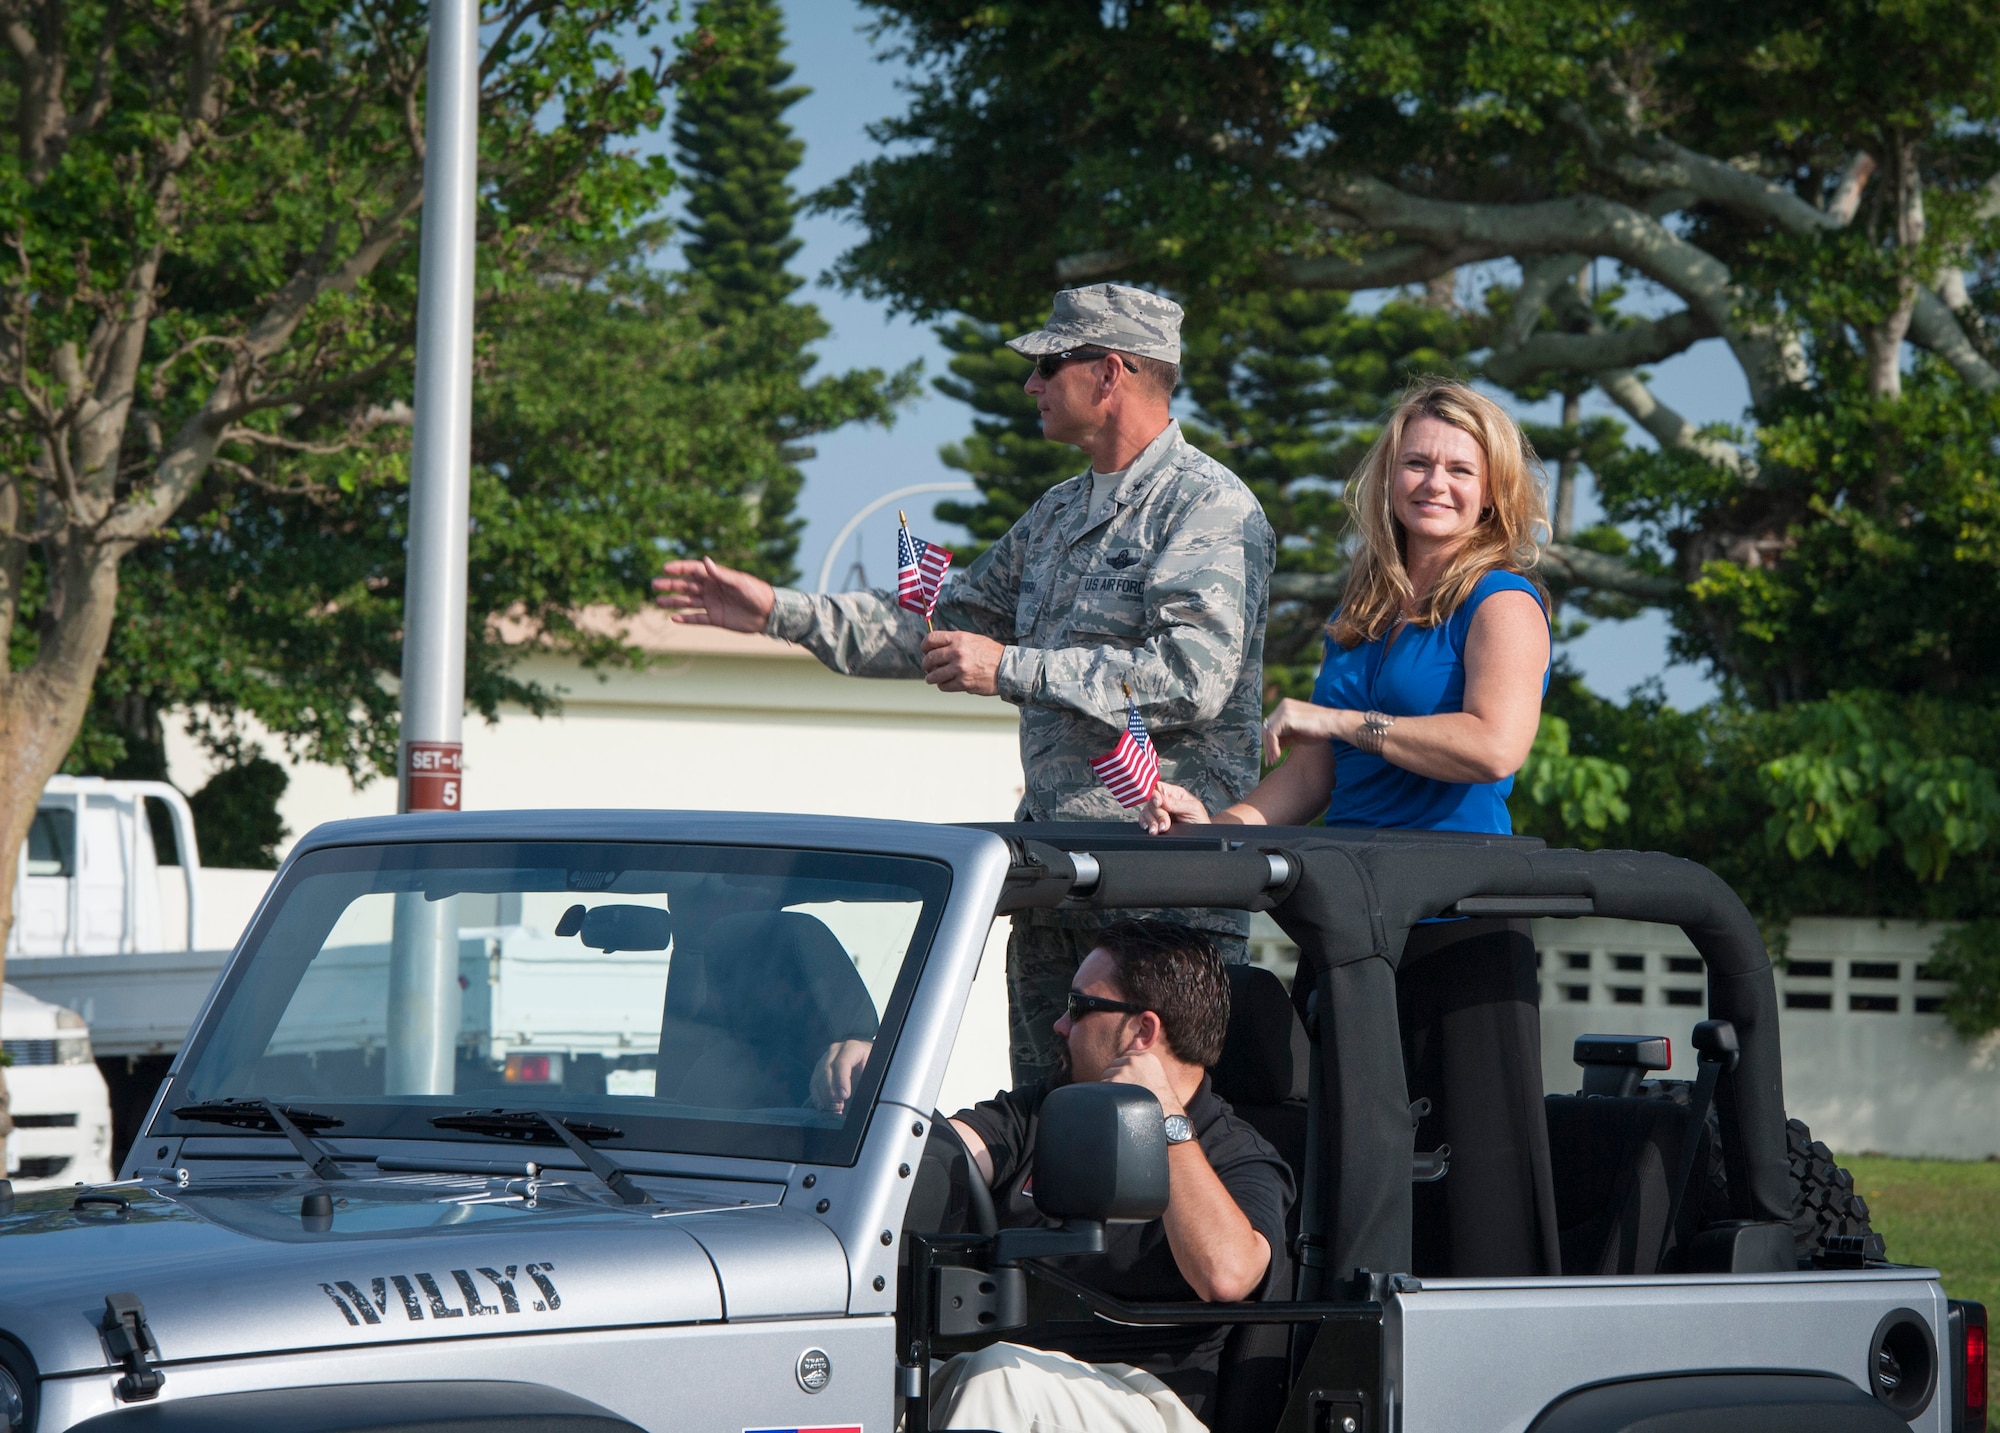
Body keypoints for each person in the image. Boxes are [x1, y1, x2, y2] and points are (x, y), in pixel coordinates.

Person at [654, 284, 1275, 1087]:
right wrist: (780, 611)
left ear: (1112, 372)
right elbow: (942, 621)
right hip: (1059, 881)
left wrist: (1009, 667)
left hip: (1160, 894)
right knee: (1046, 1141)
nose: (1031, 385)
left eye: (1049, 365)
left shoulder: (1209, 506)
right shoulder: (1055, 514)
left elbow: (1191, 678)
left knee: (1159, 1146)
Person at [1140, 378, 1561, 1277]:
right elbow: (1311, 775)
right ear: (1388, 475)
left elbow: (1492, 746)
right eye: (1417, 461)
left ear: (1493, 489)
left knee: (1476, 1191)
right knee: (1338, 1171)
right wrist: (1222, 826)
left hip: (1460, 928)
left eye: (1458, 467)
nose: (1434, 481)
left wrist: (1338, 720)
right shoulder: (1362, 611)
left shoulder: (1504, 601)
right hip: (1351, 926)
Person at [815, 920, 1294, 1433]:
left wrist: (1166, 1122)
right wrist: (879, 1100)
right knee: (849, 1382)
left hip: (1150, 1401)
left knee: (994, 1380)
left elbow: (1226, 1274)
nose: (1059, 1025)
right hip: (1015, 1374)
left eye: (1080, 1007)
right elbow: (940, 1159)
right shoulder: (1040, 1111)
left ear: (1142, 1032)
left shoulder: (1238, 1154)